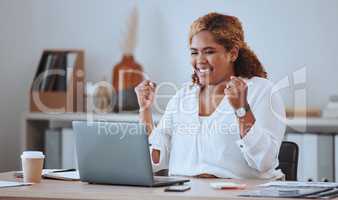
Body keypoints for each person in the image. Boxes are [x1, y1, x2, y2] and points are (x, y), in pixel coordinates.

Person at [135, 12, 286, 179]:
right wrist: (144, 110)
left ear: (233, 53)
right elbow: (155, 160)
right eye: (194, 52)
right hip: (184, 193)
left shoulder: (261, 91)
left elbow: (265, 162)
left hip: (240, 194)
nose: (200, 60)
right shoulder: (183, 96)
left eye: (209, 51)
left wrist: (242, 110)